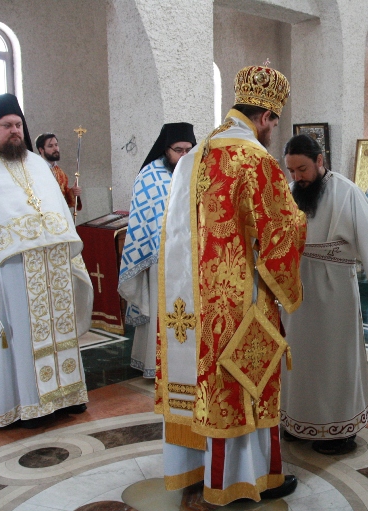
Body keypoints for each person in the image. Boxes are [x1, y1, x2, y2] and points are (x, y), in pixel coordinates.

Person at [157, 64, 305, 506]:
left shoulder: (192, 157)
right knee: (245, 383)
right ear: (266, 117)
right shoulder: (255, 160)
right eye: (273, 122)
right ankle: (244, 479)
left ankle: (193, 470)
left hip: (191, 303)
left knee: (204, 379)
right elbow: (280, 232)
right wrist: (300, 222)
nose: (272, 131)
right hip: (242, 300)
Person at [0, 94, 94, 428]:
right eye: (6, 125)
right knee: (16, 339)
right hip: (4, 275)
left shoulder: (36, 164)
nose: (15, 130)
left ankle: (65, 397)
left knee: (56, 335)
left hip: (51, 268)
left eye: (18, 124)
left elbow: (57, 213)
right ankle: (20, 405)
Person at [280, 134, 368, 455]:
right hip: (297, 290)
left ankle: (340, 430)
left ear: (319, 161)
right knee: (298, 359)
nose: (297, 177)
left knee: (335, 360)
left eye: (302, 169)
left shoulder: (347, 192)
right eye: (291, 170)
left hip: (335, 290)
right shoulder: (289, 193)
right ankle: (298, 421)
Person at [118, 122, 196, 378]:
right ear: (166, 149)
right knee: (162, 313)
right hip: (160, 260)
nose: (184, 155)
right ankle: (156, 364)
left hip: (192, 258)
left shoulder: (196, 173)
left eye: (189, 149)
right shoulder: (150, 176)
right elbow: (145, 222)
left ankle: (188, 365)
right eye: (178, 150)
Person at [35, 133, 82, 212]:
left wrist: (73, 192)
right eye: (50, 146)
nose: (55, 148)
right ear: (41, 149)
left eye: (56, 145)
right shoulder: (35, 169)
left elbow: (63, 198)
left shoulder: (61, 173)